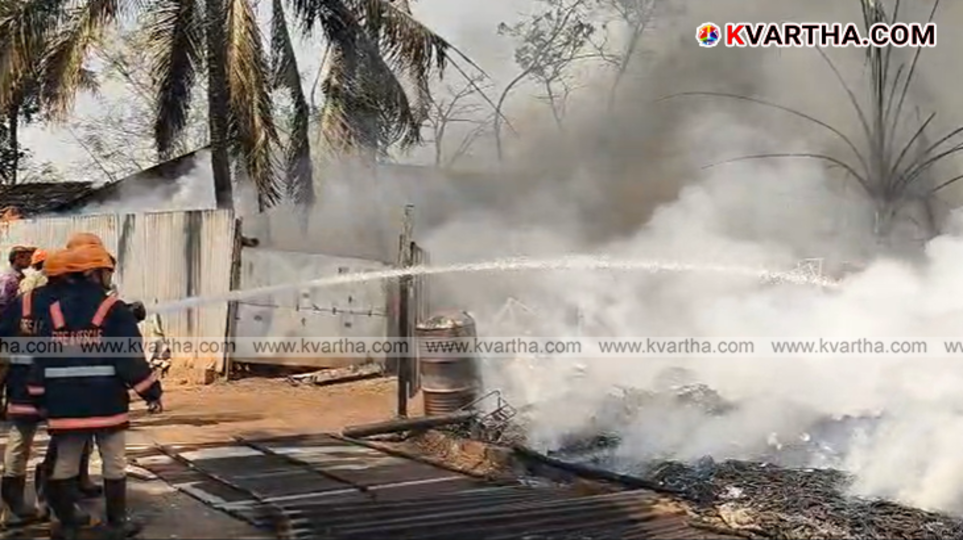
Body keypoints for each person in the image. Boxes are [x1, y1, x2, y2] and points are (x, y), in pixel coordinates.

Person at [29, 243, 163, 539]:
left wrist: (38, 396)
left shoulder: (53, 310)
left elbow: (40, 357)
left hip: (65, 404)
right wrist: (151, 392)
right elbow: (130, 359)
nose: (109, 278)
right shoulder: (113, 308)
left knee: (65, 461)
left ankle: (65, 523)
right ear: (93, 272)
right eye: (107, 272)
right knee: (114, 460)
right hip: (106, 402)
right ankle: (117, 523)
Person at [0, 246, 36, 313]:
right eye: (28, 258)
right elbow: (3, 302)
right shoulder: (9, 279)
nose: (30, 261)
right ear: (18, 258)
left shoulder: (20, 276)